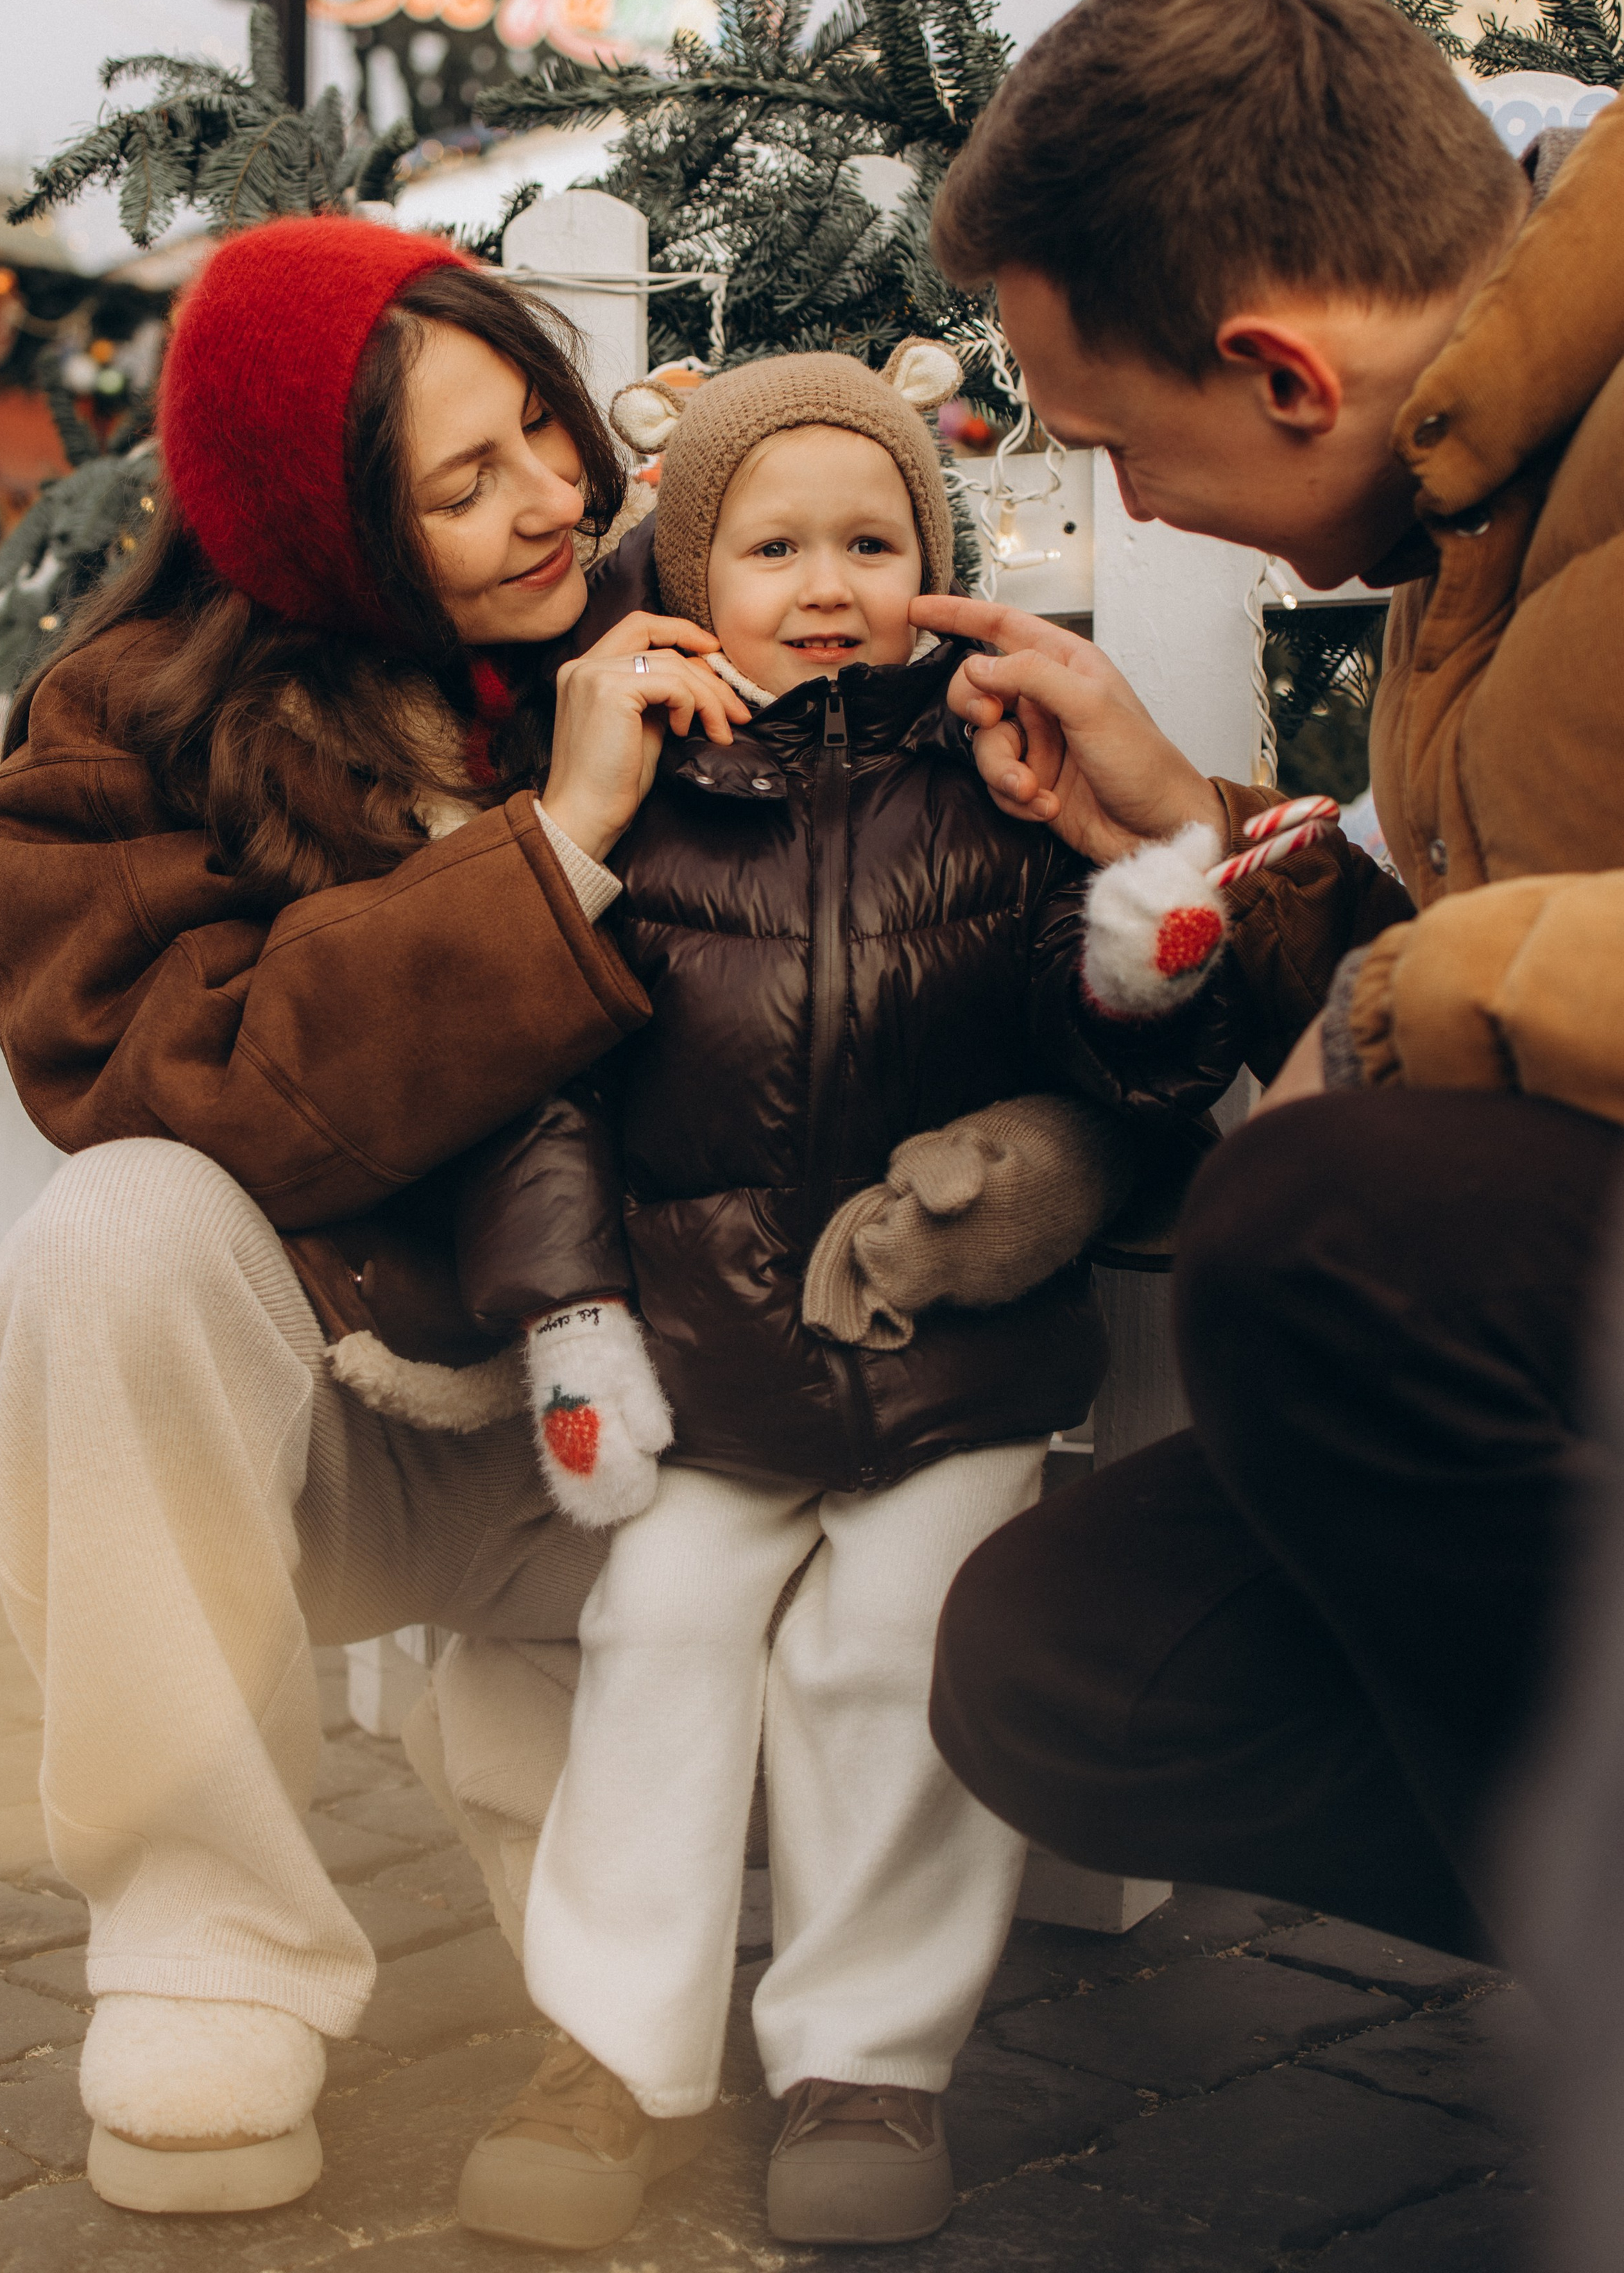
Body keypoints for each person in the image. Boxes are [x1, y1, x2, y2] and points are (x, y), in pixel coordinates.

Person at [425, 346, 1316, 2251]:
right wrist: (571, 1321)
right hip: (696, 1361)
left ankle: (866, 2058)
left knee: (895, 1647)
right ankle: (613, 2053)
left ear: (937, 554)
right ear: (684, 575)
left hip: (954, 1368)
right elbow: (540, 1097)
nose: (826, 580)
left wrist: (1143, 954)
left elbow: (1120, 1084)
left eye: (871, 535)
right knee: (661, 1641)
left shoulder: (997, 791)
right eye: (772, 544)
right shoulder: (635, 812)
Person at [0, 214, 758, 2216]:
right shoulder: (117, 735)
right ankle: (202, 1943)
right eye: (462, 485)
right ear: (325, 535)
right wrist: (550, 851)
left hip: (653, 1438)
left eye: (546, 433)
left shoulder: (682, 625)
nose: (552, 499)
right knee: (115, 1231)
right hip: (316, 1432)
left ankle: (647, 1977)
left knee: (642, 2025)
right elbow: (179, 1085)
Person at [910, 0, 1624, 1963]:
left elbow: (1445, 1044)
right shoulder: (1471, 514)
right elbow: (1498, 979)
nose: (1121, 497)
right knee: (1070, 1661)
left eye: (1113, 443)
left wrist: (1402, 1010)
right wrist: (1190, 833)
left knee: (1314, 1235)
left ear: (1286, 372)